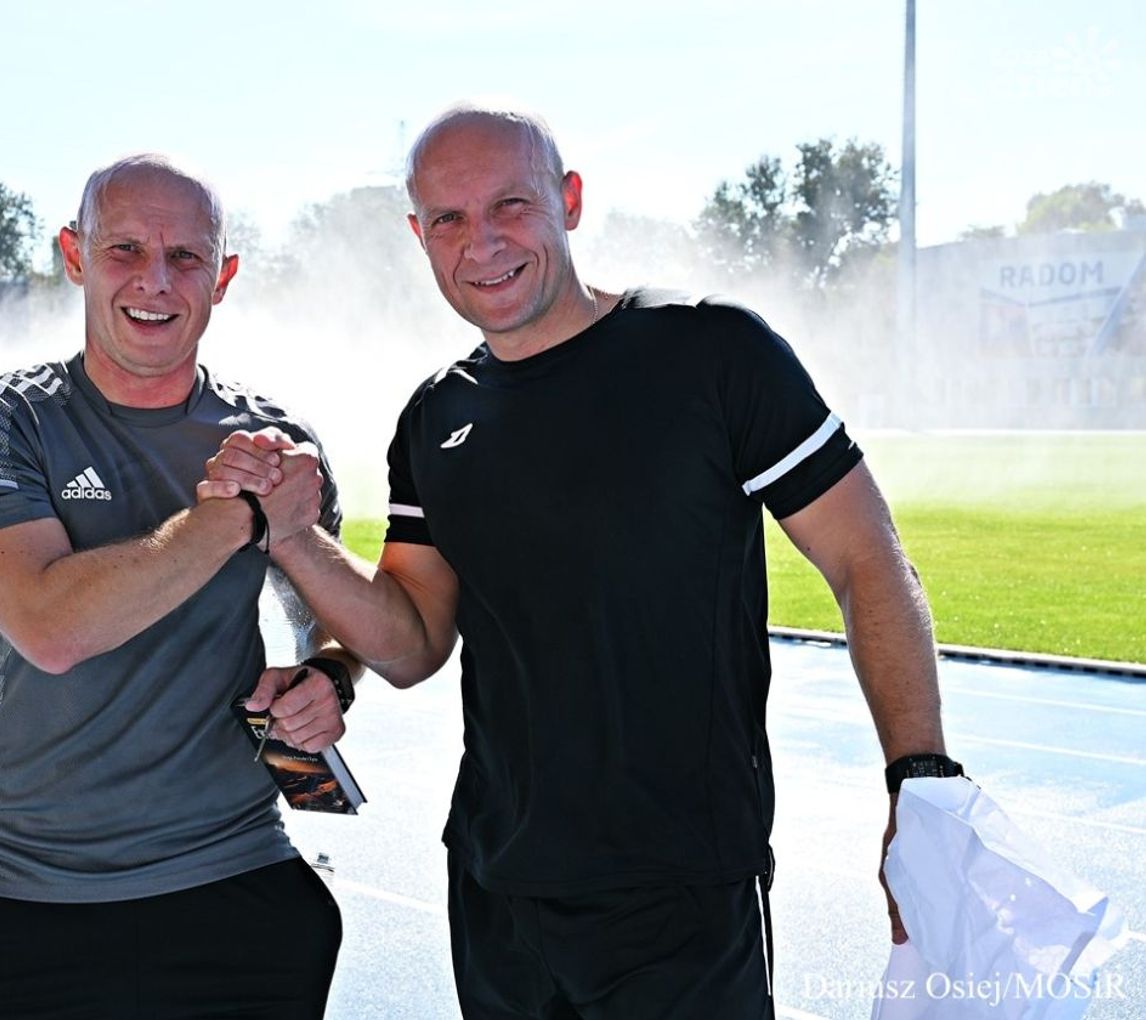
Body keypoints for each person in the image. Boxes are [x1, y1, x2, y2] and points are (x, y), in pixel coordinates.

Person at [200, 105, 962, 1019]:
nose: (481, 243)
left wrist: (921, 782)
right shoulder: (436, 416)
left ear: (568, 200)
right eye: (448, 219)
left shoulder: (713, 351)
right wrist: (293, 535)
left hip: (680, 895)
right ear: (419, 235)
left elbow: (868, 562)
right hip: (496, 889)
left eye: (510, 206)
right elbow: (411, 643)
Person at [0, 154, 358, 1019]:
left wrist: (331, 675)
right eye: (123, 248)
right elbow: (48, 627)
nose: (155, 281)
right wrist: (232, 517)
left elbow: (330, 616)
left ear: (223, 276)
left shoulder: (275, 438)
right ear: (74, 255)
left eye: (186, 257)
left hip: (241, 885)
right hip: (33, 899)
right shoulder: (5, 416)